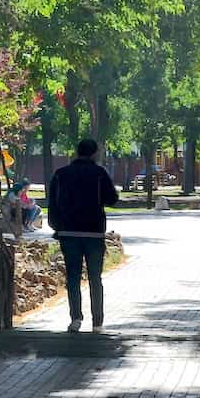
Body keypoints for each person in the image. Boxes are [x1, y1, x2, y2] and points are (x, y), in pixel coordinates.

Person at [47, 138, 119, 332]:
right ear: (94, 153)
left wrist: (57, 226)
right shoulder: (99, 173)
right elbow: (113, 199)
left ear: (76, 152)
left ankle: (76, 318)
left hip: (68, 232)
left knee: (73, 277)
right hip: (94, 233)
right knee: (95, 278)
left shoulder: (61, 174)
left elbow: (52, 203)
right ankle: (97, 322)